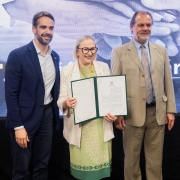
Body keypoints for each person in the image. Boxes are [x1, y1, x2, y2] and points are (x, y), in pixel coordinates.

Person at [111, 11, 176, 180]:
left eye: (148, 25)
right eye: (141, 25)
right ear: (132, 27)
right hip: (131, 115)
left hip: (157, 114)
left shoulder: (161, 51)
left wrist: (170, 110)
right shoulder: (119, 52)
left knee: (155, 163)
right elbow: (114, 86)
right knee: (131, 163)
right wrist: (117, 113)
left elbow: (167, 81)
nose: (145, 28)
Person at [5, 11, 60, 180]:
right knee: (21, 169)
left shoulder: (55, 56)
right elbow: (11, 94)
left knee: (42, 166)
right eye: (43, 27)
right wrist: (18, 126)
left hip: (47, 116)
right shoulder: (17, 55)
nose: (48, 31)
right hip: (24, 119)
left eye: (51, 28)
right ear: (33, 29)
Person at [57, 35, 117, 180]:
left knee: (101, 173)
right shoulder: (67, 71)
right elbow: (61, 98)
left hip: (100, 126)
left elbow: (110, 96)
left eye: (92, 49)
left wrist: (114, 113)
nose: (89, 52)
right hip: (80, 129)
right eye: (85, 49)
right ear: (77, 51)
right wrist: (66, 103)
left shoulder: (103, 67)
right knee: (82, 173)